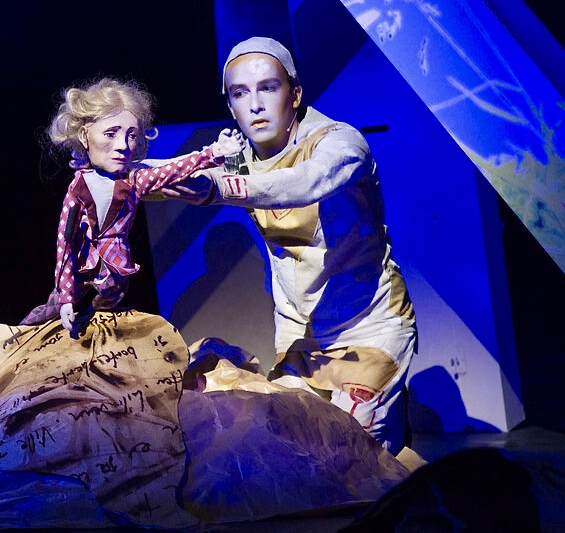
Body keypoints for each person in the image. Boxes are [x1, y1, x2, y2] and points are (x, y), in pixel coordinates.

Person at [163, 37, 417, 454]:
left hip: (369, 327)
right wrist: (114, 172)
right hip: (301, 335)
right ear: (231, 107)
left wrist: (220, 187)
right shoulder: (239, 156)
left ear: (295, 94)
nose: (255, 105)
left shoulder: (339, 143)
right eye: (240, 93)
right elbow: (168, 175)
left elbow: (304, 182)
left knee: (358, 458)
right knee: (294, 454)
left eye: (268, 88)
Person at [21, 77, 245, 335]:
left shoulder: (135, 181)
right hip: (83, 264)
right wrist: (66, 296)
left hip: (115, 267)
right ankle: (18, 334)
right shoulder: (77, 190)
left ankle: (92, 323)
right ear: (84, 135)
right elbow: (65, 241)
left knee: (109, 302)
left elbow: (171, 170)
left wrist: (214, 152)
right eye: (110, 134)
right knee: (50, 309)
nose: (122, 146)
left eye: (131, 136)